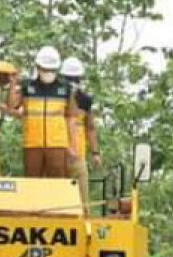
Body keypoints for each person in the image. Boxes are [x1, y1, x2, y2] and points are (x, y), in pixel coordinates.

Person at [8, 46, 76, 178]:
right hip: (32, 144)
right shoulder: (28, 86)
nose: (48, 72)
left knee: (58, 184)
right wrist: (13, 85)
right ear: (38, 67)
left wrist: (72, 147)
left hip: (57, 144)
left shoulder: (65, 89)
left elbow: (71, 118)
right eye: (45, 69)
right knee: (32, 183)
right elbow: (12, 106)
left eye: (51, 69)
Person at [60, 56, 102, 210]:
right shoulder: (56, 97)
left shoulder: (85, 100)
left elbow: (90, 127)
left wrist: (95, 153)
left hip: (77, 156)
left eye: (75, 79)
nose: (73, 83)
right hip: (57, 155)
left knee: (82, 203)